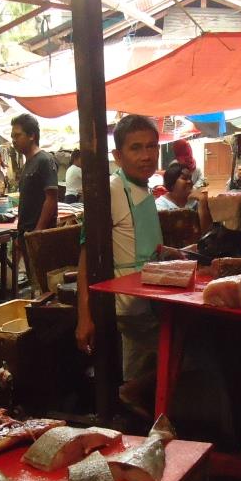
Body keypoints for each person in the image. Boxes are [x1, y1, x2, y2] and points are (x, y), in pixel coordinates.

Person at [76, 114, 162, 416]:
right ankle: (130, 395)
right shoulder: (112, 190)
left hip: (150, 298)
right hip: (129, 306)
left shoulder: (145, 188)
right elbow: (87, 254)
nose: (146, 155)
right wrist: (84, 317)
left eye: (152, 147)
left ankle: (139, 400)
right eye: (136, 148)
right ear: (117, 155)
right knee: (186, 351)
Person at [11, 114, 58, 233]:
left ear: (32, 135)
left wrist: (38, 230)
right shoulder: (27, 164)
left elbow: (51, 199)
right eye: (12, 137)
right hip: (25, 233)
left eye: (17, 135)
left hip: (39, 236)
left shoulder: (44, 160)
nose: (13, 141)